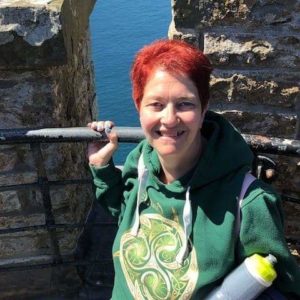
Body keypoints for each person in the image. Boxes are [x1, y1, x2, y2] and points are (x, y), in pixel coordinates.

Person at [87, 39, 300, 299]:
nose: (169, 119)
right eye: (156, 104)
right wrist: (102, 169)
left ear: (204, 107)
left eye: (185, 104)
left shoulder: (249, 203)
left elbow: (285, 290)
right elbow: (127, 216)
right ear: (138, 107)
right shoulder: (139, 162)